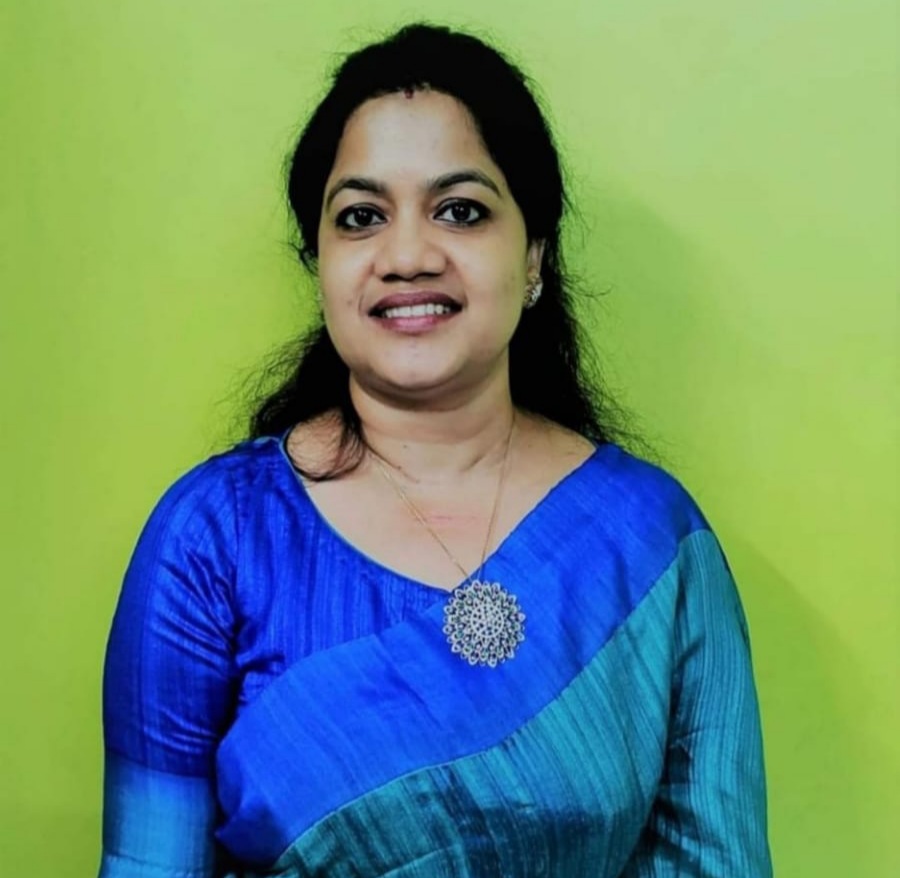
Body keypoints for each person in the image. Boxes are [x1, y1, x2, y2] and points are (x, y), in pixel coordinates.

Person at [99, 23, 772, 878]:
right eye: (361, 218)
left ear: (535, 255)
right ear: (321, 264)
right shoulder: (216, 539)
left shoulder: (650, 543)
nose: (408, 255)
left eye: (460, 211)